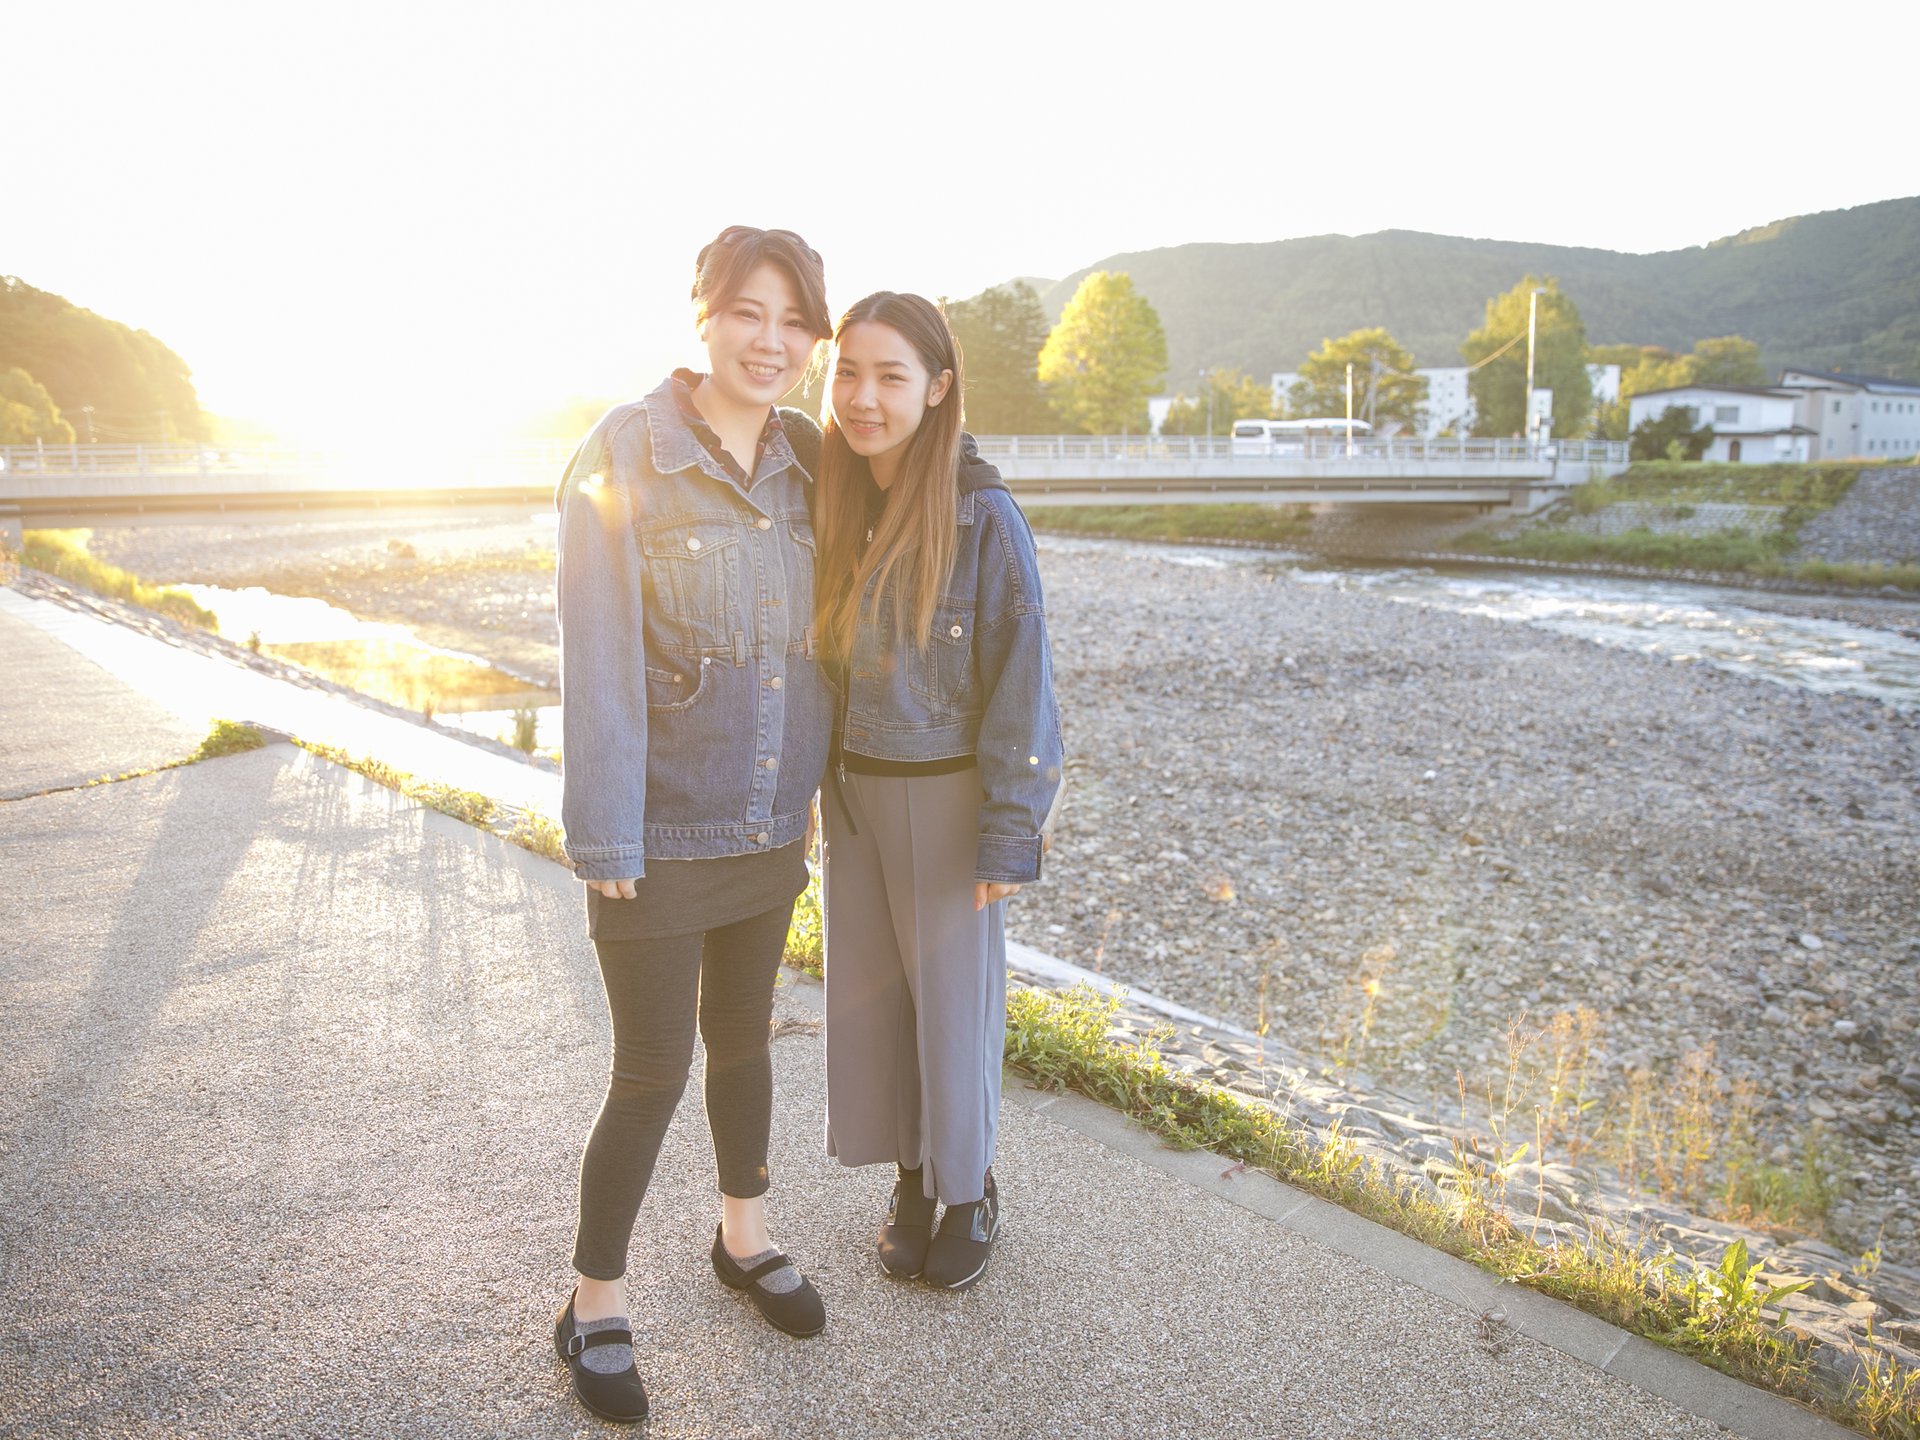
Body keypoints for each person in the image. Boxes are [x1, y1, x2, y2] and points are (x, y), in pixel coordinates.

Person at [550, 225, 835, 1424]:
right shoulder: (625, 452)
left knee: (748, 1045)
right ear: (703, 316)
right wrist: (606, 836)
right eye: (748, 314)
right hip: (661, 837)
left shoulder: (813, 460)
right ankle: (592, 1305)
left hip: (772, 831)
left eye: (794, 323)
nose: (771, 342)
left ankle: (743, 1238)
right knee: (650, 1071)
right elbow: (598, 657)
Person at [813, 292, 1064, 1292]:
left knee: (954, 1012)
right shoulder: (832, 492)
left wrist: (1012, 829)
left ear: (938, 387)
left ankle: (970, 1193)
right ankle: (912, 1180)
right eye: (847, 373)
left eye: (889, 376)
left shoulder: (981, 513)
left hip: (947, 802)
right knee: (878, 1010)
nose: (863, 397)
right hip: (855, 802)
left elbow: (1023, 674)